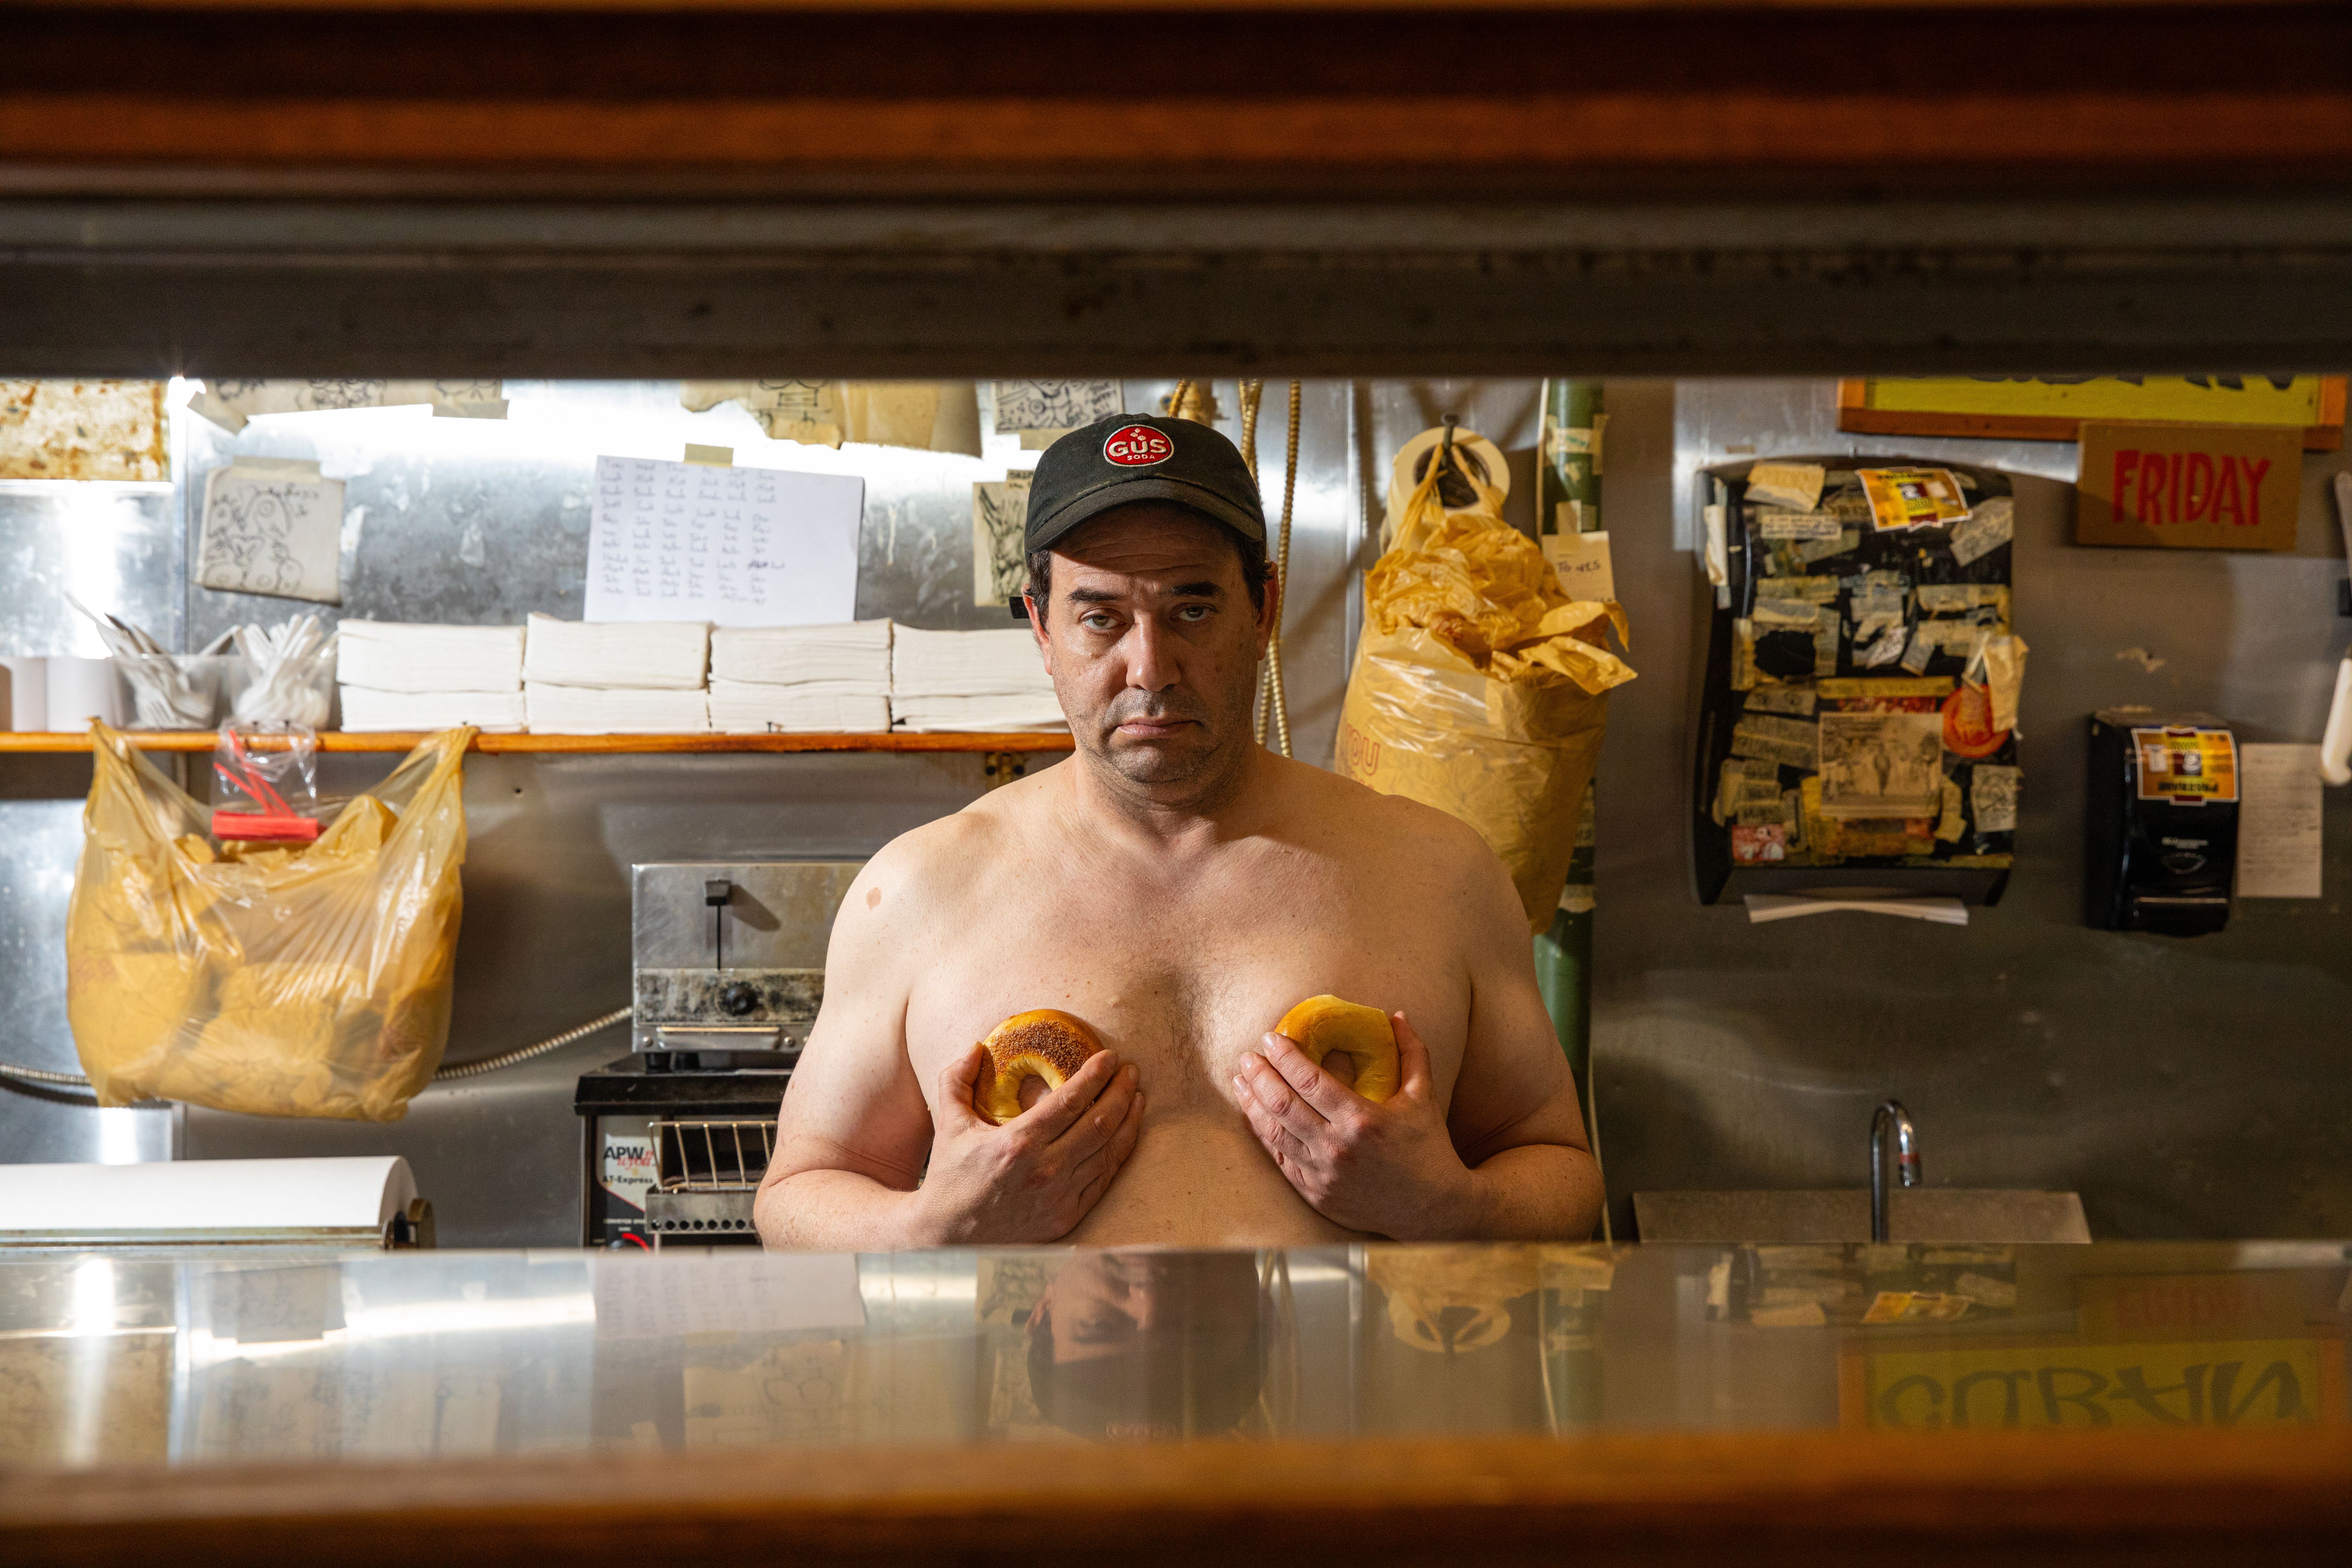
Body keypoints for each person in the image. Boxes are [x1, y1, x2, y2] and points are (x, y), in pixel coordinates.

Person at [755, 412, 1602, 1248]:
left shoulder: (1437, 871)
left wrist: (1447, 1206)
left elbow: (1560, 1167)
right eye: (1101, 618)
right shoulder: (917, 892)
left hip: (1356, 1384)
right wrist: (934, 1223)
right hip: (1019, 1385)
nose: (1151, 668)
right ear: (1042, 627)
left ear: (1263, 608)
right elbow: (796, 1195)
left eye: (1193, 610)